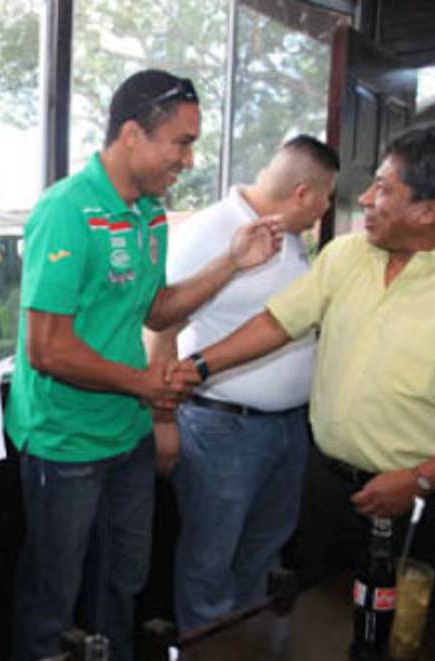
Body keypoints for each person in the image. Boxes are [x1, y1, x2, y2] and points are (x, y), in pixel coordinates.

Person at [176, 123, 435, 603]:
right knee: (313, 619)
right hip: (325, 489)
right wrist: (198, 367)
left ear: (430, 210)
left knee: (403, 632)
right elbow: (278, 322)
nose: (366, 199)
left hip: (421, 503)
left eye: (384, 189)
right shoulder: (346, 255)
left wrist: (417, 480)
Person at [5, 68, 283, 661]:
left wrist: (233, 262)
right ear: (132, 134)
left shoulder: (150, 213)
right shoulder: (66, 210)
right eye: (180, 142)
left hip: (127, 436)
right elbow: (47, 348)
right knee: (51, 602)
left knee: (122, 587)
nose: (188, 160)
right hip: (65, 442)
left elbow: (156, 309)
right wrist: (144, 384)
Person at [145, 135, 340, 631]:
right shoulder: (211, 232)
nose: (326, 209)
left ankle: (246, 652)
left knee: (262, 555)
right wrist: (162, 421)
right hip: (223, 428)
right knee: (210, 562)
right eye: (326, 196)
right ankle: (205, 659)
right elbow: (160, 326)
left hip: (285, 429)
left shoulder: (287, 234)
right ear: (302, 192)